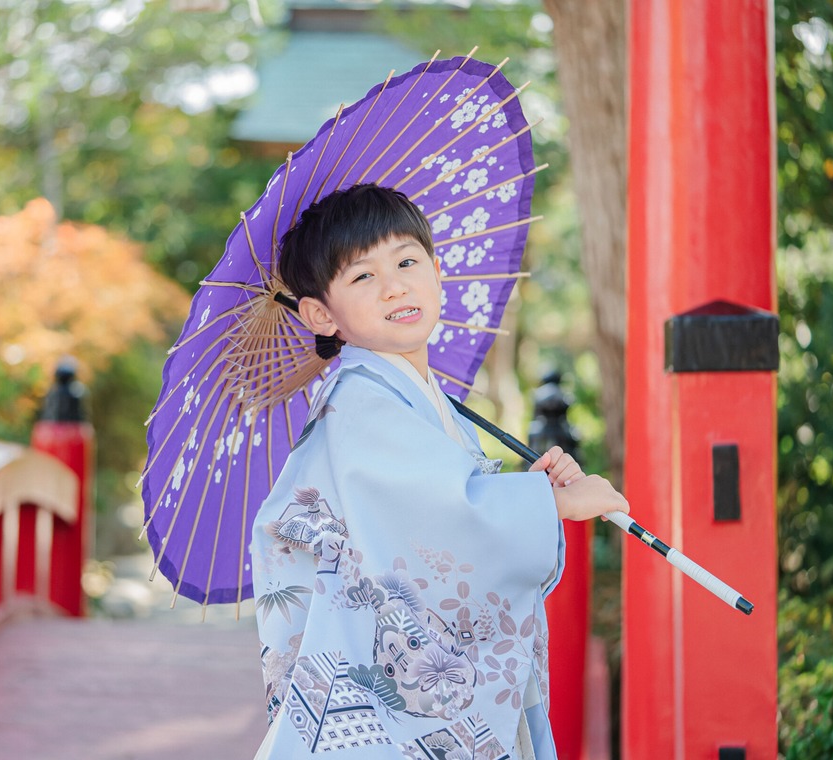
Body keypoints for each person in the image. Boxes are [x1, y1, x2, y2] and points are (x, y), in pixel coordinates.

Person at [250, 183, 629, 759]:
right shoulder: (359, 400)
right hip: (378, 689)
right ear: (320, 313)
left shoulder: (415, 396)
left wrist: (535, 490)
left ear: (436, 270)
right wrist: (550, 504)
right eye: (362, 277)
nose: (395, 285)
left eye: (407, 261)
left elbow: (445, 503)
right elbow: (436, 517)